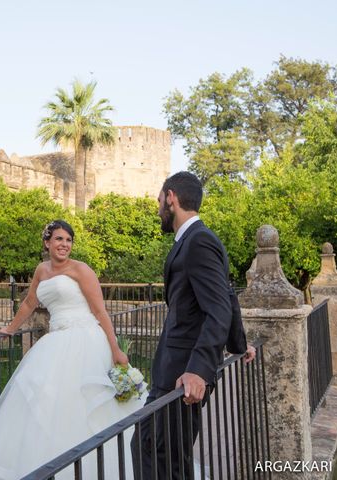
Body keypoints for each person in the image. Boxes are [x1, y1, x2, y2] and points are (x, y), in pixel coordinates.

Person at [0, 220, 145, 480]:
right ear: (47, 242)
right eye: (59, 239)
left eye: (68, 240)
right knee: (47, 403)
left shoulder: (81, 270)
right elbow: (30, 302)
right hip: (55, 342)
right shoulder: (41, 270)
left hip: (86, 340)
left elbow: (100, 312)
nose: (64, 245)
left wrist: (117, 350)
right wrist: (11, 328)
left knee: (86, 405)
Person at [130, 171, 256, 479]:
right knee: (146, 445)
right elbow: (225, 296)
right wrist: (239, 344)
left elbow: (220, 306)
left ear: (171, 197)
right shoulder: (190, 240)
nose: (158, 207)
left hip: (183, 375)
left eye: (160, 200)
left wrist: (199, 370)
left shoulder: (198, 240)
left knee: (169, 460)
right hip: (170, 368)